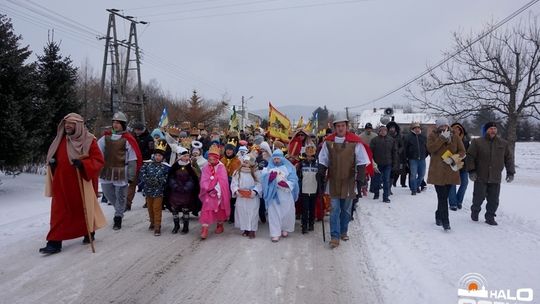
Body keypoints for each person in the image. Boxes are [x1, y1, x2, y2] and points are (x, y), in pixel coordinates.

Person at [40, 113, 107, 254]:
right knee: (59, 211)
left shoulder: (89, 140)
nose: (68, 126)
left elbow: (98, 160)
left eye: (71, 123)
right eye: (66, 123)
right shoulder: (60, 139)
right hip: (62, 183)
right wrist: (52, 162)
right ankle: (54, 242)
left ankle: (89, 232)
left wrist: (83, 164)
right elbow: (54, 156)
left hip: (81, 183)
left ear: (78, 125)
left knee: (84, 209)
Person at [318, 115, 371, 248]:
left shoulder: (355, 142)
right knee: (335, 208)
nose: (341, 128)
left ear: (346, 126)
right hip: (334, 179)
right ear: (335, 127)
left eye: (343, 126)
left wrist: (361, 178)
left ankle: (343, 231)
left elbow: (361, 160)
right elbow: (323, 159)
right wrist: (320, 171)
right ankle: (335, 236)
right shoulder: (328, 142)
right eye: (338, 126)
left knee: (346, 210)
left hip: (349, 180)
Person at [98, 112, 141, 230]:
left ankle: (118, 217)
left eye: (118, 123)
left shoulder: (127, 139)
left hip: (122, 170)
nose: (115, 125)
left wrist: (131, 175)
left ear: (123, 125)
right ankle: (120, 207)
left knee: (120, 195)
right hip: (107, 170)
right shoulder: (105, 138)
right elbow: (97, 153)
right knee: (107, 193)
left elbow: (132, 158)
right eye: (114, 122)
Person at [466, 122, 515, 225]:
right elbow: (470, 157)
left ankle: (490, 217)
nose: (493, 131)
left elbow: (509, 159)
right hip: (480, 175)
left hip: (495, 176)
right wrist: (471, 171)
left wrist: (510, 172)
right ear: (486, 130)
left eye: (494, 129)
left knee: (493, 199)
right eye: (491, 129)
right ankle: (475, 211)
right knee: (479, 197)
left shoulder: (503, 143)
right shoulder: (477, 142)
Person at [426, 118, 465, 231]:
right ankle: (445, 221)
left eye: (445, 126)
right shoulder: (432, 136)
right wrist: (441, 139)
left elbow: (462, 151)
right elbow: (431, 149)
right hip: (437, 171)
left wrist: (454, 158)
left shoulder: (455, 136)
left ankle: (438, 215)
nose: (444, 128)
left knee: (444, 196)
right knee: (442, 196)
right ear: (437, 127)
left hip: (451, 170)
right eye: (441, 126)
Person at [262, 149, 299, 242]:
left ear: (282, 158)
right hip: (274, 195)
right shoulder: (268, 168)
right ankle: (275, 233)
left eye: (278, 158)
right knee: (274, 214)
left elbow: (294, 179)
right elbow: (264, 180)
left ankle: (285, 228)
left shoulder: (289, 168)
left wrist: (287, 184)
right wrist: (270, 179)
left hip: (286, 194)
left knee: (286, 212)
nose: (276, 160)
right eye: (275, 159)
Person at [198, 145, 231, 239]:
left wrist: (216, 189)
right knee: (206, 208)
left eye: (213, 159)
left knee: (220, 208)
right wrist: (207, 188)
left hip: (218, 192)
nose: (211, 161)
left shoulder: (221, 167)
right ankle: (205, 228)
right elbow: (204, 179)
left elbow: (223, 181)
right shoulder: (206, 167)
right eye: (209, 159)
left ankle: (220, 225)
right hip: (208, 192)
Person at [166, 147, 200, 234]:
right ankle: (176, 226)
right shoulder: (175, 166)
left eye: (188, 156)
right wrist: (175, 186)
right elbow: (171, 177)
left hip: (186, 193)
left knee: (186, 210)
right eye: (185, 156)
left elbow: (192, 179)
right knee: (175, 210)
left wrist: (187, 187)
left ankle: (185, 227)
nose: (186, 158)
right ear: (180, 156)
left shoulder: (190, 167)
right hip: (175, 192)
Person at [139, 139, 169, 236]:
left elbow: (167, 177)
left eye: (160, 156)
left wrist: (160, 181)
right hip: (148, 190)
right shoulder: (147, 164)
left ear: (163, 157)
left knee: (157, 208)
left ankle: (157, 225)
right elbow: (142, 173)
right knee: (150, 208)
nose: (158, 157)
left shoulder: (165, 167)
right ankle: (152, 222)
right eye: (156, 155)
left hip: (158, 191)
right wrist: (147, 180)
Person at [231, 155, 262, 239]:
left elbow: (259, 184)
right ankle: (245, 229)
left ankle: (252, 230)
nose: (245, 164)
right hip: (241, 196)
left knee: (252, 213)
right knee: (242, 212)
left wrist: (255, 191)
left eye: (247, 163)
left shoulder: (256, 172)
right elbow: (234, 183)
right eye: (244, 162)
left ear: (251, 164)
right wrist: (236, 190)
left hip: (252, 197)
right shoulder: (237, 172)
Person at [127, 122, 154, 210]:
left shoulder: (149, 138)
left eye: (139, 130)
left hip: (145, 162)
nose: (137, 132)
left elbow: (151, 150)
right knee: (132, 182)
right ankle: (127, 203)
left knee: (146, 183)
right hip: (134, 162)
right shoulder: (133, 137)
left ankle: (148, 201)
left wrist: (140, 154)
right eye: (136, 130)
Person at [370, 125, 398, 203]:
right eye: (381, 130)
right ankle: (376, 193)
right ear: (379, 132)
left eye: (384, 130)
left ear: (386, 131)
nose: (383, 132)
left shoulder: (391, 140)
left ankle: (385, 197)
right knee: (377, 180)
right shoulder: (374, 140)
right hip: (377, 164)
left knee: (386, 180)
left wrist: (394, 162)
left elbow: (394, 152)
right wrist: (372, 163)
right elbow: (370, 152)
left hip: (387, 163)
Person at [297, 142, 319, 234]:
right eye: (308, 156)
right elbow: (298, 176)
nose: (309, 158)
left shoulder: (317, 165)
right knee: (305, 208)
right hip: (304, 190)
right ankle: (304, 225)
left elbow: (321, 177)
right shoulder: (301, 164)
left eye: (311, 156)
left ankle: (311, 224)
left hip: (314, 189)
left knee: (312, 208)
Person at [448, 122, 470, 210]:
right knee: (452, 184)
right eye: (454, 129)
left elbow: (469, 152)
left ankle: (459, 201)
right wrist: (456, 159)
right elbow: (446, 152)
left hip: (464, 165)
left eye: (459, 129)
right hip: (452, 164)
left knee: (464, 183)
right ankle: (453, 203)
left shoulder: (466, 140)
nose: (457, 130)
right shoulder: (448, 139)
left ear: (462, 130)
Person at [404, 122, 427, 195]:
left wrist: (425, 155)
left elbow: (427, 147)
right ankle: (413, 190)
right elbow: (405, 148)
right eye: (415, 128)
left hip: (422, 159)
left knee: (422, 175)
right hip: (412, 159)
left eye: (418, 128)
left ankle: (416, 186)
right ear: (412, 129)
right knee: (413, 174)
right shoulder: (408, 137)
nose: (417, 129)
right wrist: (406, 158)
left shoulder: (423, 137)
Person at [221, 143, 241, 223]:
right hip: (224, 182)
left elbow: (238, 173)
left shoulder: (237, 161)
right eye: (227, 150)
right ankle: (224, 215)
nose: (228, 151)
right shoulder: (222, 160)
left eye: (230, 150)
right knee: (224, 200)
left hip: (233, 182)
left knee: (232, 201)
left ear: (234, 151)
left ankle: (232, 217)